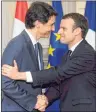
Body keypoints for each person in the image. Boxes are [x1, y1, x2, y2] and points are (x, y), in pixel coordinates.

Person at [2, 13, 96, 111]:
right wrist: (46, 98)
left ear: (77, 31)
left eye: (64, 28)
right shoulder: (67, 56)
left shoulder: (87, 54)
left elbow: (57, 73)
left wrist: (19, 75)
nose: (58, 31)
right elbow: (59, 84)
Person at [1, 1, 57, 112]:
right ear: (38, 23)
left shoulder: (38, 47)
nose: (53, 29)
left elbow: (36, 78)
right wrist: (33, 102)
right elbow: (5, 83)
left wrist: (42, 98)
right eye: (51, 24)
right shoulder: (17, 44)